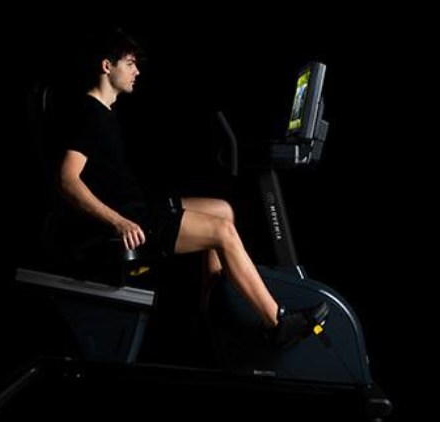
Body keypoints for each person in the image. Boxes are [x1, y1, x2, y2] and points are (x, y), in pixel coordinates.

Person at [42, 28, 329, 350]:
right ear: (107, 66)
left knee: (223, 209)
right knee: (221, 232)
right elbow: (67, 180)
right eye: (130, 64)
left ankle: (212, 318)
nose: (137, 71)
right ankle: (277, 323)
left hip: (137, 206)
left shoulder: (104, 113)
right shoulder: (88, 114)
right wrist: (119, 222)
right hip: (128, 219)